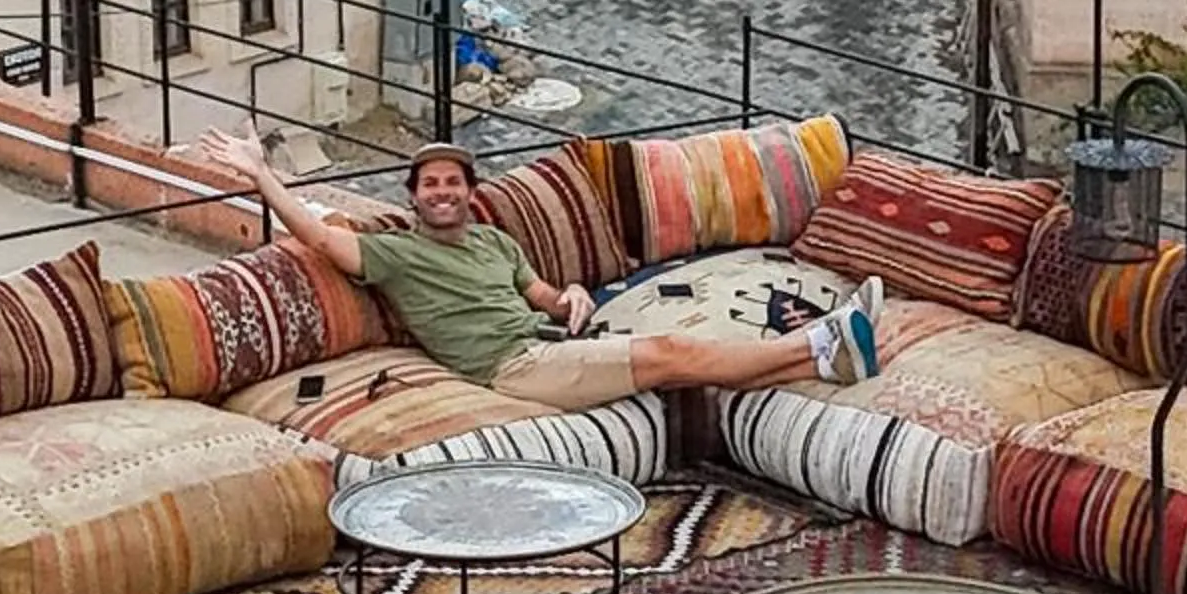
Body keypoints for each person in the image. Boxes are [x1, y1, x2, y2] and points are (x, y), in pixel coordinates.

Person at [195, 132, 881, 408]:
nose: (441, 193)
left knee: (678, 356)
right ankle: (818, 342)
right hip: (512, 368)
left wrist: (574, 297)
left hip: (552, 344)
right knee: (673, 353)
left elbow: (547, 298)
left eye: (452, 184)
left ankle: (822, 361)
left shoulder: (495, 243)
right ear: (414, 196)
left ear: (468, 192)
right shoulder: (394, 253)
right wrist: (261, 174)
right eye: (429, 184)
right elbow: (315, 233)